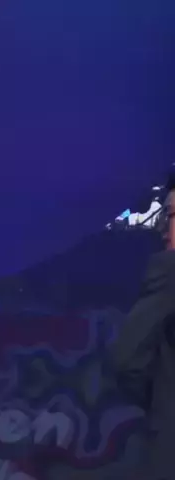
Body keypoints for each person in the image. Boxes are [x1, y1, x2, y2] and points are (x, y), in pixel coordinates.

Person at [108, 180, 175, 479]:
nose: (162, 228)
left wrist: (163, 405)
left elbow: (126, 361)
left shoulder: (171, 272)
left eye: (170, 215)